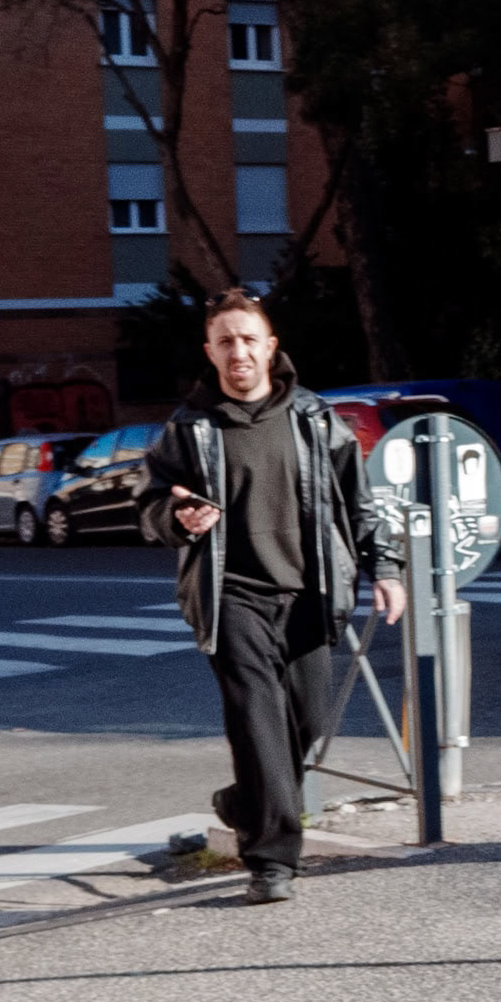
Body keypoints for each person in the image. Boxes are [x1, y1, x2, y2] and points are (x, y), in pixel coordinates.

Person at [139, 292, 403, 903]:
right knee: (258, 720)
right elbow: (150, 506)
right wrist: (178, 519)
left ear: (270, 346)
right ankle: (272, 862)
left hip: (307, 593)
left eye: (248, 339)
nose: (239, 352)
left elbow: (356, 501)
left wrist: (385, 567)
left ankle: (242, 802)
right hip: (231, 594)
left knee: (307, 722)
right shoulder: (189, 427)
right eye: (225, 342)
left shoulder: (314, 418)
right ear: (210, 352)